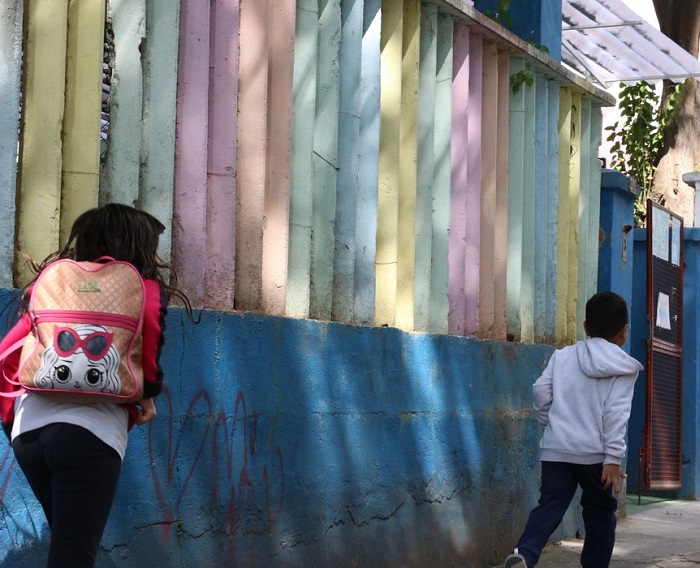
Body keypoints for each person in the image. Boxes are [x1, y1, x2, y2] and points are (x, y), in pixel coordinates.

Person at [0, 203, 194, 567]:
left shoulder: (52, 284)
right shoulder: (145, 291)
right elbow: (150, 352)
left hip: (29, 434)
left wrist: (12, 423)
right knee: (74, 554)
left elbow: (7, 352)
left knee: (67, 541)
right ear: (139, 247)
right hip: (90, 436)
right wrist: (148, 397)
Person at [504, 291, 644, 568]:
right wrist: (613, 458)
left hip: (557, 450)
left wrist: (550, 422)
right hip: (596, 457)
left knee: (550, 504)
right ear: (624, 331)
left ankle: (525, 553)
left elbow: (540, 391)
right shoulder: (624, 368)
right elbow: (616, 414)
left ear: (585, 327)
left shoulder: (563, 356)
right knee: (601, 512)